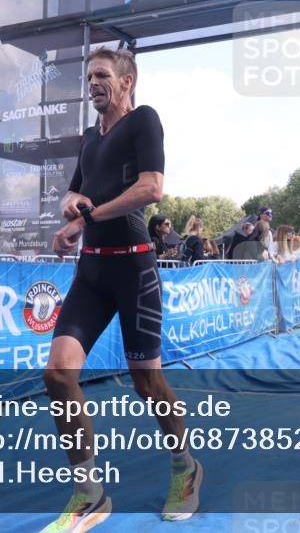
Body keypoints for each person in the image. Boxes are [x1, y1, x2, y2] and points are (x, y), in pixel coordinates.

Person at [45, 46, 201, 531]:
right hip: (90, 273)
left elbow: (152, 188)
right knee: (57, 374)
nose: (92, 83)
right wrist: (72, 210)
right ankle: (90, 495)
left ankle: (186, 470)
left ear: (127, 81)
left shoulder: (144, 121)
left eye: (102, 75)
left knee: (146, 383)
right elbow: (76, 189)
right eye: (89, 76)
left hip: (135, 272)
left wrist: (89, 214)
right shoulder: (90, 139)